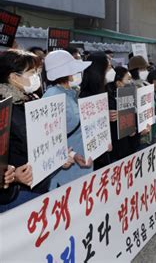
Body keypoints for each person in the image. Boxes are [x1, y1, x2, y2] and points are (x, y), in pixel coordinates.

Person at [0, 49, 49, 211]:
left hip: (39, 183)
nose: (36, 76)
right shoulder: (4, 106)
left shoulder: (32, 98)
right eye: (32, 72)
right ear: (14, 77)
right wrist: (13, 176)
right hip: (17, 193)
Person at [43, 50, 93, 188]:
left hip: (79, 164)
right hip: (66, 171)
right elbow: (48, 138)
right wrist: (71, 153)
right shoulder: (53, 96)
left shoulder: (70, 93)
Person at [79, 52, 113, 170]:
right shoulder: (86, 94)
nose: (111, 71)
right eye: (108, 68)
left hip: (103, 146)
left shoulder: (104, 88)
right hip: (92, 153)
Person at [106, 66, 139, 163]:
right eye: (128, 79)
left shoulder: (132, 94)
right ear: (118, 82)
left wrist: (133, 128)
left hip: (130, 143)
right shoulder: (109, 99)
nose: (131, 82)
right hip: (118, 148)